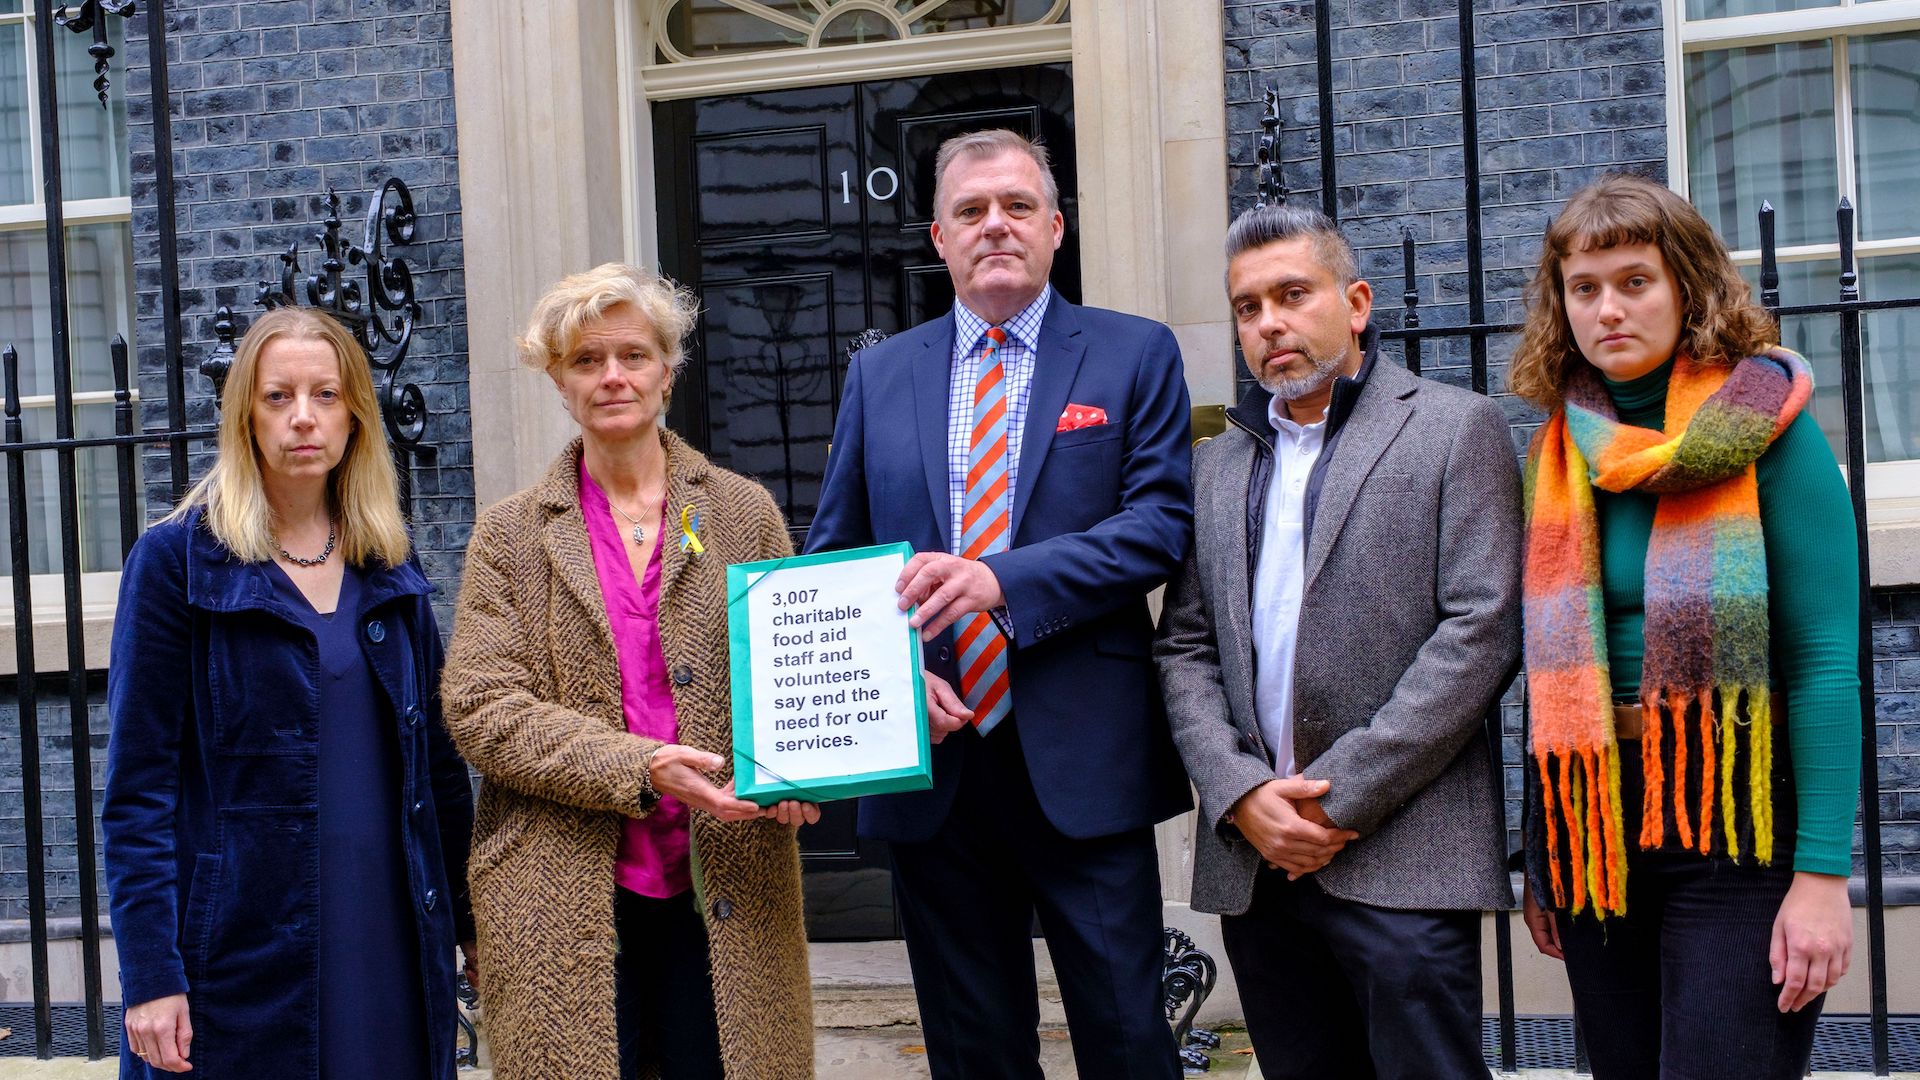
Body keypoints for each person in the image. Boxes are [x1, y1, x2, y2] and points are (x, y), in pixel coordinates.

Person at [804, 128, 1194, 1079]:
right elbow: (833, 558)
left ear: (1056, 228)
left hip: (1083, 755)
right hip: (932, 761)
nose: (996, 227)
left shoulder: (1133, 353)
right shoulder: (880, 373)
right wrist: (890, 677)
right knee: (973, 1048)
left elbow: (1159, 527)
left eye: (1018, 206)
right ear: (937, 237)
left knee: (1128, 1037)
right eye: (971, 211)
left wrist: (1001, 579)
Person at [1153, 203, 1522, 1079]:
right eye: (1248, 307)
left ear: (1355, 303)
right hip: (1258, 864)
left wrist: (1334, 799)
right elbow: (1185, 648)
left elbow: (1481, 629)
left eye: (1292, 294)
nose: (1270, 322)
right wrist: (1241, 794)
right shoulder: (1217, 463)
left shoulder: (1453, 427)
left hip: (1404, 855)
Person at [1512, 173, 1860, 1079]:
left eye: (1635, 281)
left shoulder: (1770, 433)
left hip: (1734, 818)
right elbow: (1550, 664)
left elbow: (1824, 662)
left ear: (1688, 287)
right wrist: (1547, 851)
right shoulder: (1559, 453)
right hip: (1596, 821)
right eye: (1583, 289)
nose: (1608, 308)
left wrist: (1823, 878)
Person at [440, 263, 816, 1080]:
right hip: (561, 891)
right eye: (586, 360)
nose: (613, 376)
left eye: (634, 355)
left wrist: (802, 766)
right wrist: (638, 764)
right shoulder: (511, 535)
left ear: (668, 371)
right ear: (558, 381)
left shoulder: (742, 511)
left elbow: (794, 666)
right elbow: (480, 707)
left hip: (727, 882)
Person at [102, 306, 475, 1078]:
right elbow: (138, 793)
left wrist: (468, 925)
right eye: (278, 397)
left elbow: (436, 771)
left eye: (325, 395)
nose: (303, 418)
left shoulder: (389, 566)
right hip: (240, 955)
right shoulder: (177, 563)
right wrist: (149, 975)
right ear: (245, 414)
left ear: (355, 418)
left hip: (390, 939)